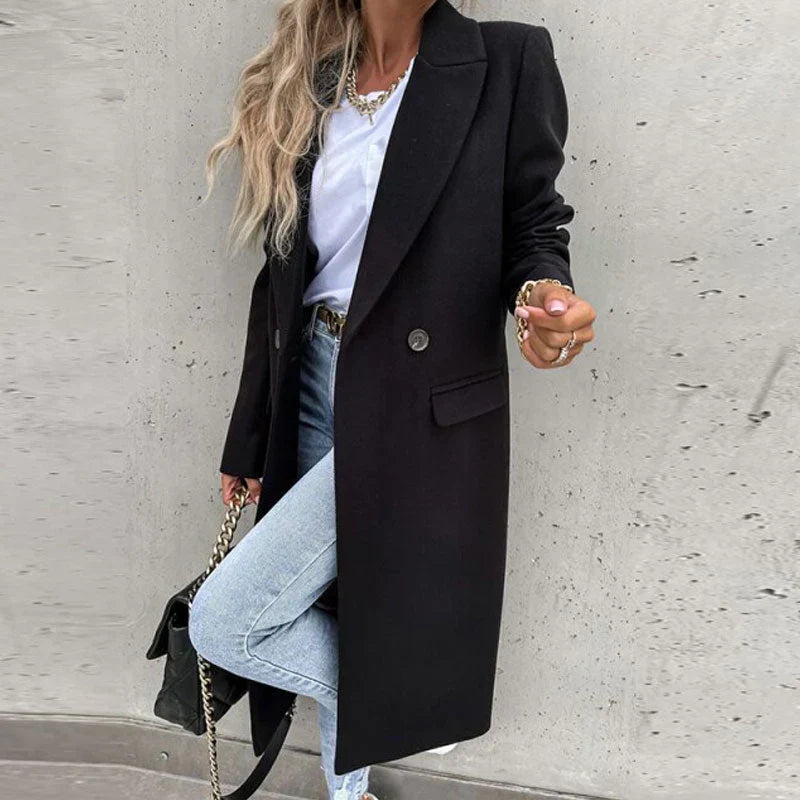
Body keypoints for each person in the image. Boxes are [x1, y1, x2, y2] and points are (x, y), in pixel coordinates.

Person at [188, 1, 597, 798]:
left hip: (415, 400)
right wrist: (250, 435)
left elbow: (534, 224)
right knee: (347, 616)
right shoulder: (314, 84)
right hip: (313, 378)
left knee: (227, 619)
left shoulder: (507, 59)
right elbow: (280, 280)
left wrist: (539, 298)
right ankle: (369, 762)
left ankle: (406, 704)